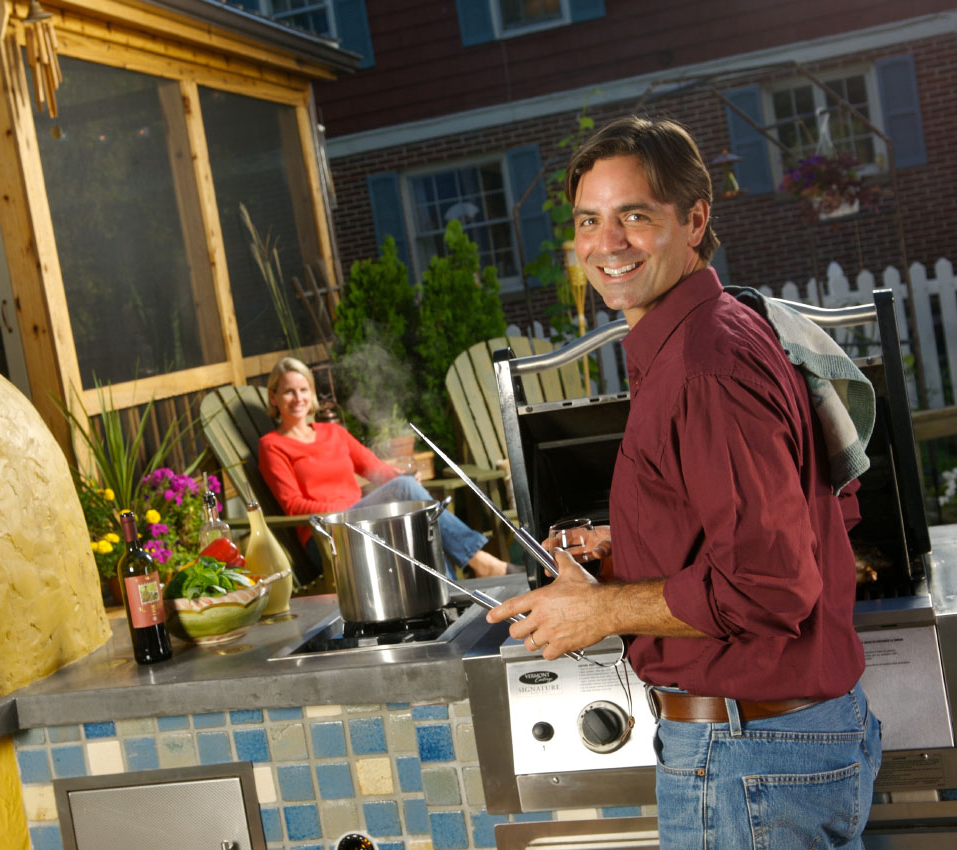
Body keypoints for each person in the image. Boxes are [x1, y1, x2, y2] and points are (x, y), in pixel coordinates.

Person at [486, 117, 881, 847]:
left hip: (749, 758)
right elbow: (786, 510)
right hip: (774, 749)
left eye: (634, 216)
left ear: (695, 219)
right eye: (589, 221)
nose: (607, 244)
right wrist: (629, 543)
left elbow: (767, 584)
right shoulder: (724, 328)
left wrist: (603, 610)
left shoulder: (704, 366)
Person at [258, 357, 508, 584]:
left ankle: (452, 591)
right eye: (288, 392)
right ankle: (481, 562)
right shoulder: (272, 446)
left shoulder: (333, 432)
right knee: (406, 491)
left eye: (303, 390)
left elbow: (372, 467)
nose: (298, 398)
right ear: (273, 397)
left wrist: (399, 479)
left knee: (414, 515)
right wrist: (345, 508)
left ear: (311, 393)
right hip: (328, 534)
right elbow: (292, 506)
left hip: (361, 518)